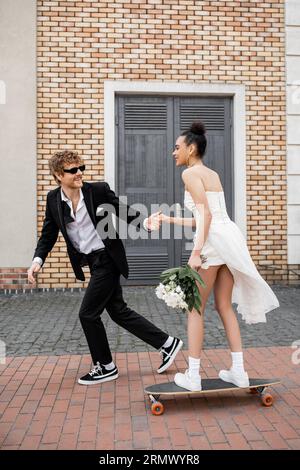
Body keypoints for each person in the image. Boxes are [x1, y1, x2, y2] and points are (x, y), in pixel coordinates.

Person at [27, 150, 183, 385]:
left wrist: (146, 223)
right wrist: (37, 261)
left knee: (88, 314)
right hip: (91, 262)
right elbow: (48, 234)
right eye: (72, 170)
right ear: (59, 175)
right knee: (118, 311)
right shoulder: (53, 199)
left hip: (107, 259)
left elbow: (121, 209)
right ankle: (167, 343)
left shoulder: (97, 191)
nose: (79, 173)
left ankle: (106, 366)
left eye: (81, 168)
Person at [159, 121, 279, 391]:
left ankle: (193, 376)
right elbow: (205, 217)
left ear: (191, 149)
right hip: (229, 238)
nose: (173, 152)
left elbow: (207, 216)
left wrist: (196, 252)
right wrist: (167, 218)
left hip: (213, 242)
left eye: (177, 147)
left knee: (194, 308)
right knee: (223, 305)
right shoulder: (211, 173)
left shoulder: (190, 174)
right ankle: (239, 372)